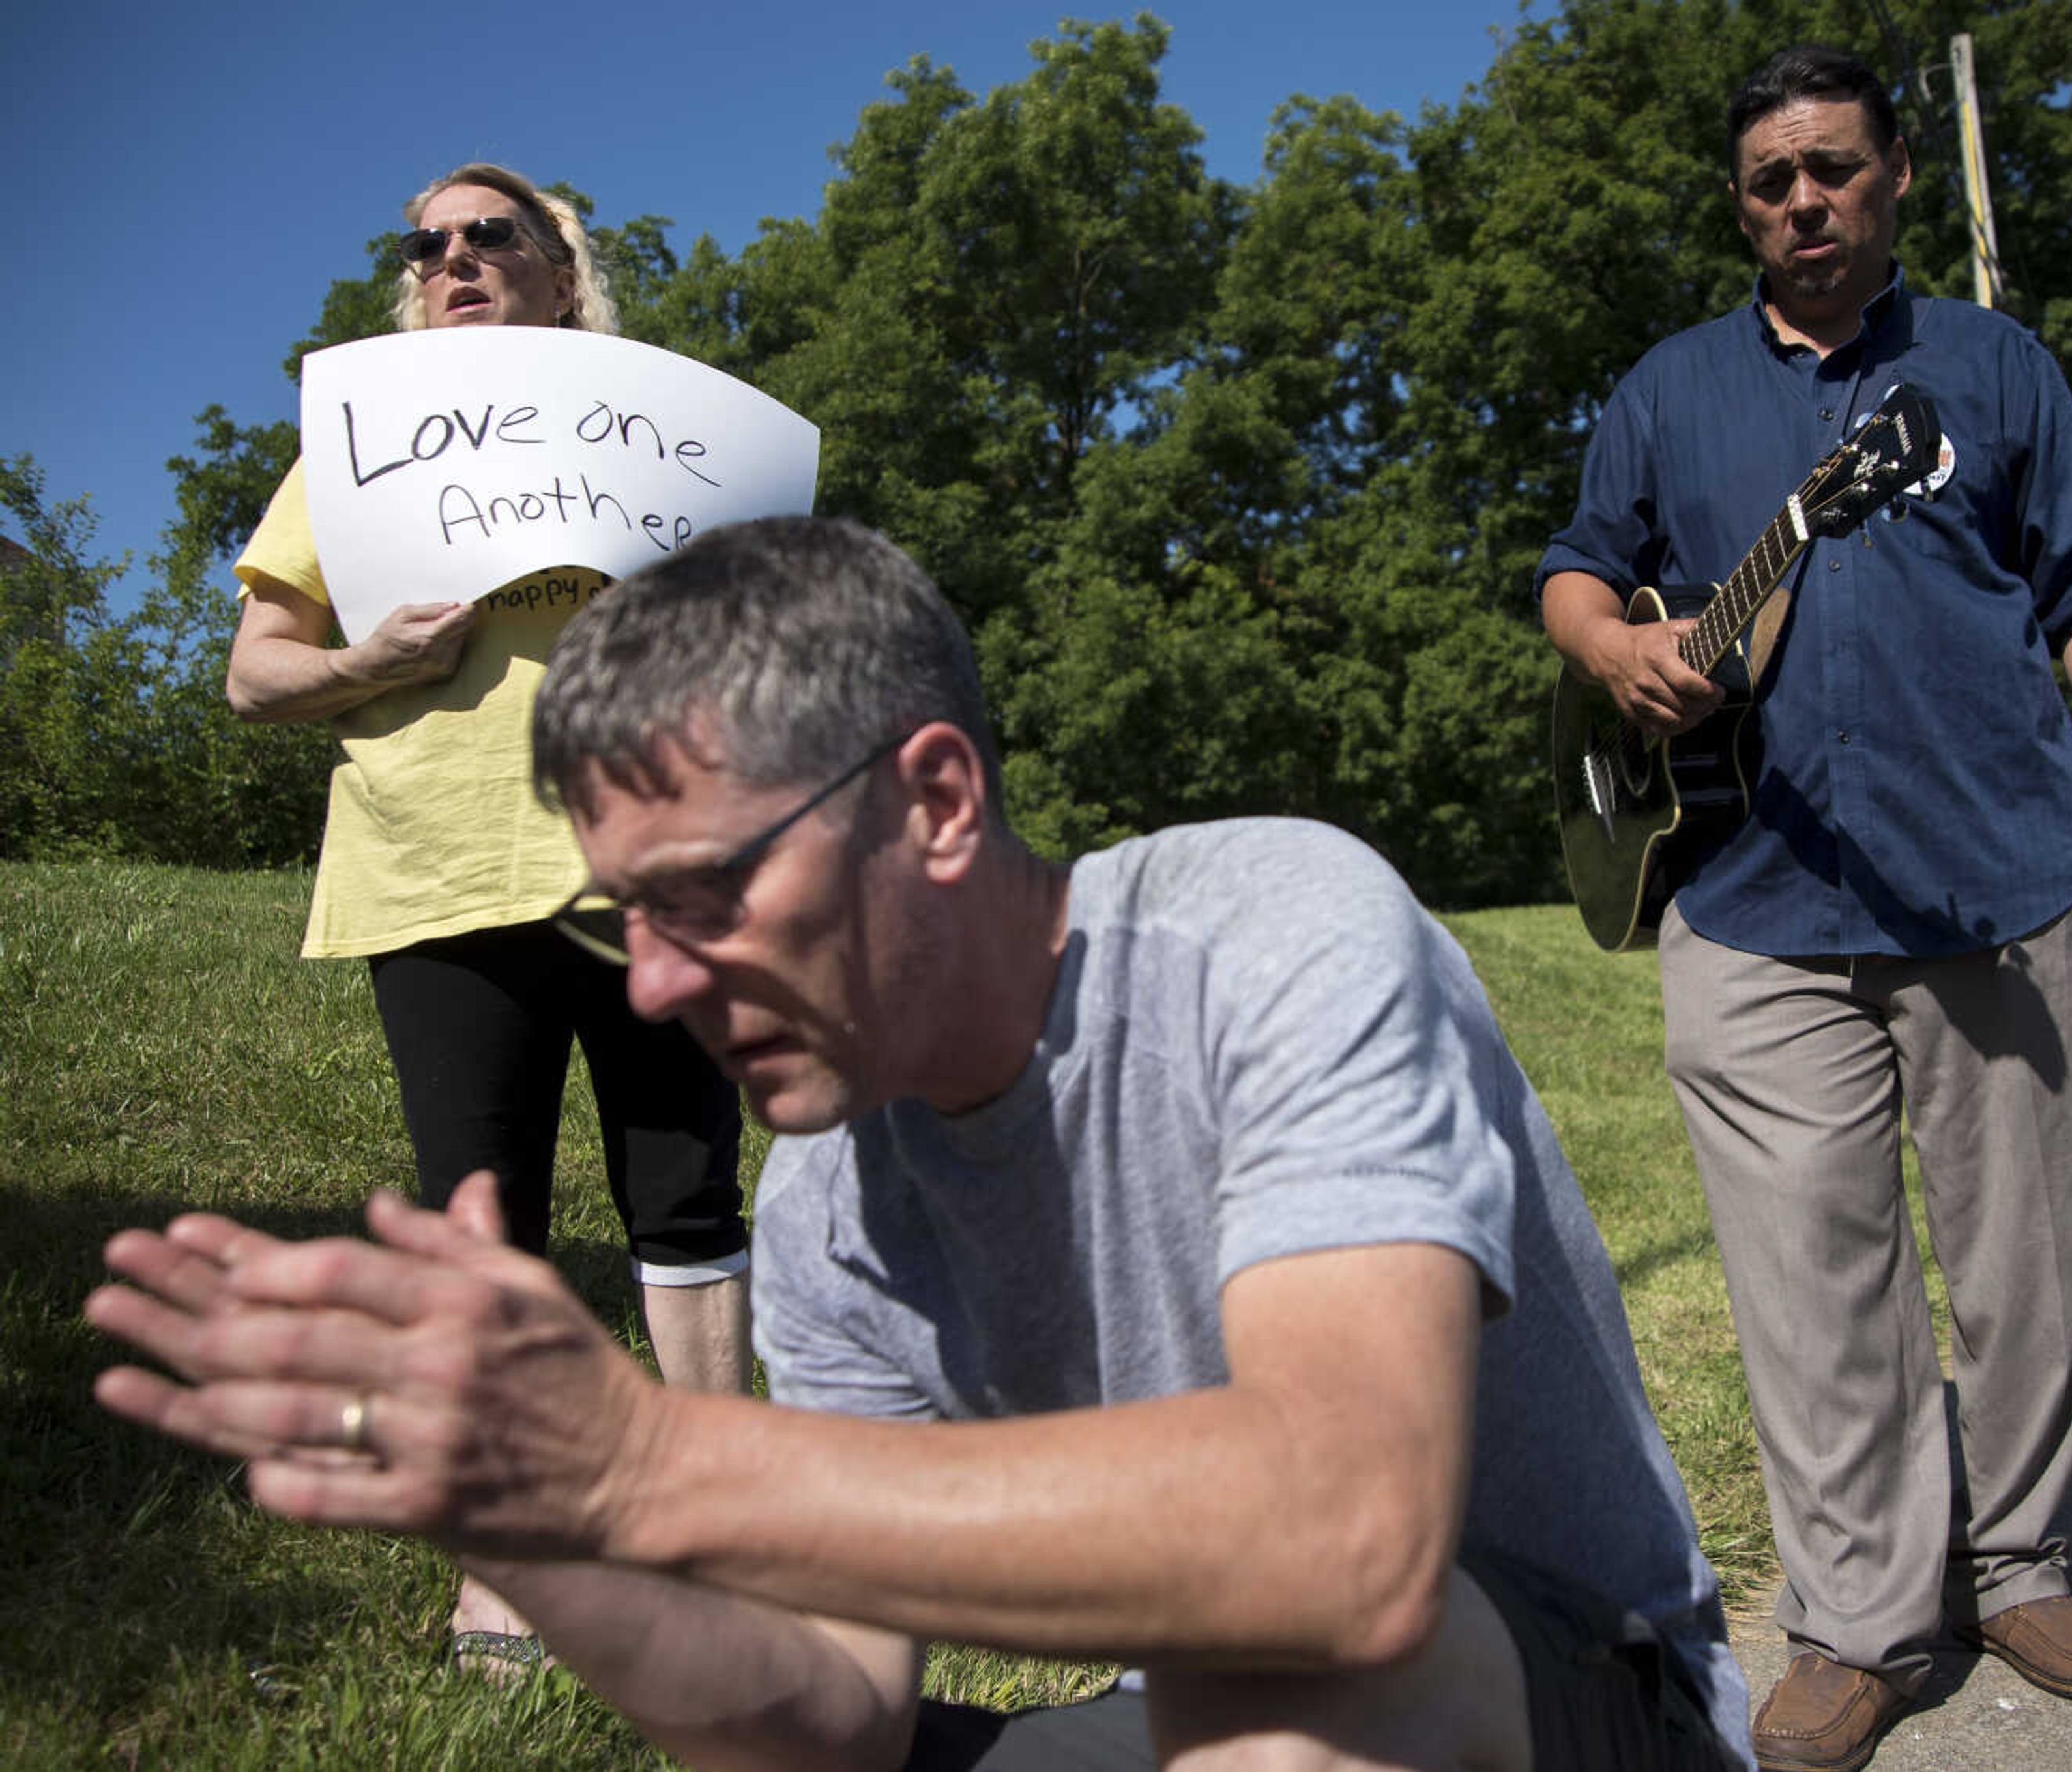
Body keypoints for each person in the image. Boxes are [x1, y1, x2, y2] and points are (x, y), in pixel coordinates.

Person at [92, 514, 1758, 1771]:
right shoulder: (829, 1197)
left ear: (939, 801)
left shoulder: (1269, 925)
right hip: (1192, 1706)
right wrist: (533, 1522)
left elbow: (1348, 1545)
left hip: (1588, 1702)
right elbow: (834, 1714)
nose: (658, 983)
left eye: (709, 893)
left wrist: (649, 1458)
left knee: (1279, 1709)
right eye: (626, 920)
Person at [1536, 44, 2072, 1772]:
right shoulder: (1669, 390)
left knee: (2026, 1266)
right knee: (1809, 1287)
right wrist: (1616, 643)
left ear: (1899, 173)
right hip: (1748, 898)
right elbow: (1573, 566)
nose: (1804, 204)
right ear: (1741, 202)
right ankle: (1858, 1622)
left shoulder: (1989, 370)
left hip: (1991, 876)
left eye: (1833, 169)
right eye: (1771, 181)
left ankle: (2019, 1563)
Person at [220, 162, 751, 1670]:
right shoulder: (360, 445)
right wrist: (372, 659)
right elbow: (256, 672)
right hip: (441, 869)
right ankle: (507, 1568)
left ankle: (719, 1531)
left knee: (687, 1196)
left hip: (649, 865)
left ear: (559, 271)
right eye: (428, 243)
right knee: (485, 1219)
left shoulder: (664, 432)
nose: (455, 256)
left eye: (490, 233)